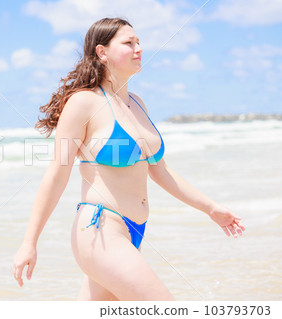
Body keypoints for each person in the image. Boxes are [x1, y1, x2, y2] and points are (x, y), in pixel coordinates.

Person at [12, 17, 245, 301]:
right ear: (102, 52)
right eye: (128, 43)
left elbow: (160, 171)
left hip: (133, 232)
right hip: (100, 231)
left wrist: (210, 208)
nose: (139, 49)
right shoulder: (84, 103)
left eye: (138, 42)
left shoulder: (137, 103)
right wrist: (29, 243)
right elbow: (57, 175)